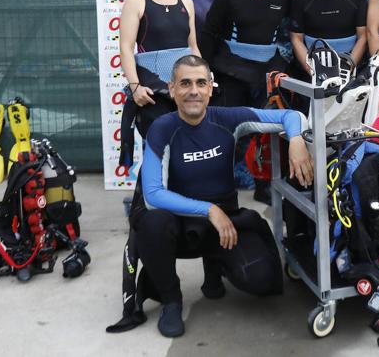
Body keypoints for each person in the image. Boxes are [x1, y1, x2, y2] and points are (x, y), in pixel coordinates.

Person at [130, 55, 314, 337]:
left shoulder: (228, 119)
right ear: (172, 88)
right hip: (180, 227)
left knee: (262, 280)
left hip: (225, 226)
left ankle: (215, 265)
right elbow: (153, 195)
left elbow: (291, 116)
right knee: (152, 222)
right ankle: (171, 300)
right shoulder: (162, 128)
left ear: (211, 87)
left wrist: (297, 140)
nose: (193, 90)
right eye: (185, 83)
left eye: (201, 83)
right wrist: (209, 210)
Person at [118, 0, 200, 166]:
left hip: (185, 89)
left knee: (187, 151)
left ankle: (185, 199)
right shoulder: (136, 1)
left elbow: (193, 48)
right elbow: (126, 48)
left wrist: (204, 81)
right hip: (152, 91)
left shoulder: (187, 3)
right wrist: (135, 87)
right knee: (158, 152)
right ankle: (148, 201)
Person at [199, 0, 291, 108]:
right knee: (232, 123)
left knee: (265, 124)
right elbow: (208, 33)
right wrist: (203, 73)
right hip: (231, 71)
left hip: (267, 73)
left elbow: (299, 29)